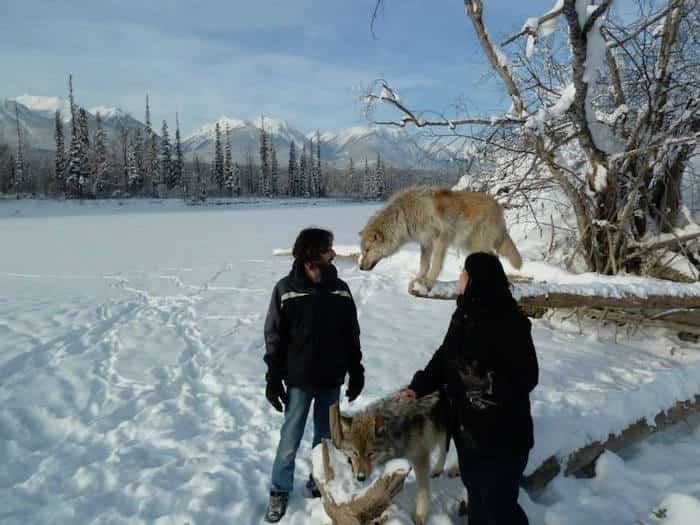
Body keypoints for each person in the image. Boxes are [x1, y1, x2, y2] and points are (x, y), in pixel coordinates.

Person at [397, 252, 538, 525]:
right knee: (479, 502)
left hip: (503, 439)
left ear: (476, 279)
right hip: (471, 436)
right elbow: (445, 356)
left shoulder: (510, 321)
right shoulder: (464, 314)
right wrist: (419, 386)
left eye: (464, 273)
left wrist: (488, 385)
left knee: (499, 509)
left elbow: (527, 376)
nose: (460, 278)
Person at [263, 227, 364, 523]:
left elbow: (351, 334)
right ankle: (279, 490)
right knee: (289, 441)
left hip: (331, 380)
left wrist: (356, 369)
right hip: (298, 381)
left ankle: (319, 484)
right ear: (310, 255)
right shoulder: (285, 289)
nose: (332, 254)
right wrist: (273, 376)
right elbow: (274, 335)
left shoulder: (340, 289)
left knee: (326, 441)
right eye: (326, 250)